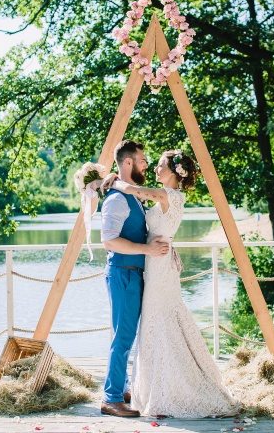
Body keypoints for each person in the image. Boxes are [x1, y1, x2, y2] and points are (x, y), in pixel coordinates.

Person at [102, 149, 241, 418]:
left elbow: (134, 190)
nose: (155, 168)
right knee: (152, 324)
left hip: (158, 264)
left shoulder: (169, 195)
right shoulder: (163, 196)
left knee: (156, 322)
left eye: (160, 165)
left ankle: (161, 387)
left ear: (175, 171)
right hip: (152, 264)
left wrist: (112, 180)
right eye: (151, 164)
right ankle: (140, 388)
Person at [99, 140, 170, 418]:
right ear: (128, 162)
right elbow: (109, 241)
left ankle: (122, 387)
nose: (146, 165)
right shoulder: (116, 199)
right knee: (123, 337)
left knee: (127, 335)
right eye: (142, 161)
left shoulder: (130, 195)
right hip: (123, 274)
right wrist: (147, 250)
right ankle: (111, 398)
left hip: (133, 275)